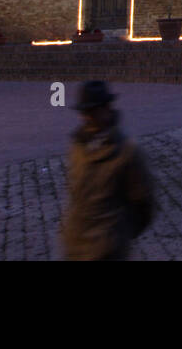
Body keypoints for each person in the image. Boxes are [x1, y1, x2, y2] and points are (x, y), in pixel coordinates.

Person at [61, 80, 154, 260]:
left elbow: (143, 204)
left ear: (107, 108)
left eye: (93, 111)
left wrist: (116, 234)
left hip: (106, 251)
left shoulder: (127, 152)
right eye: (84, 112)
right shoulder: (78, 147)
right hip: (75, 246)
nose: (88, 118)